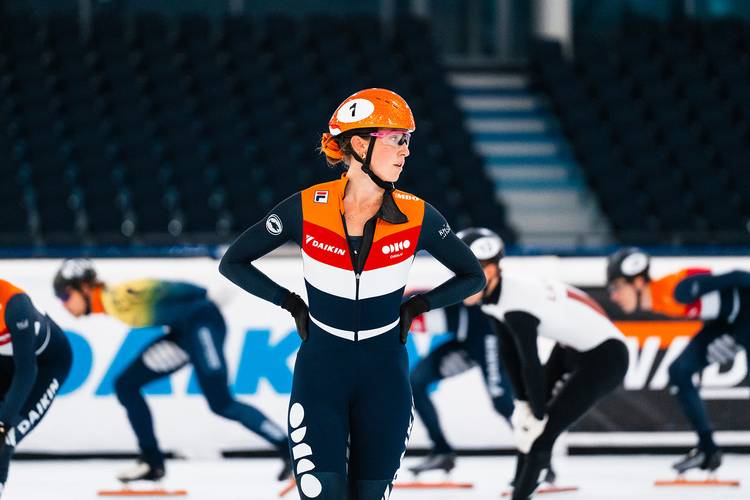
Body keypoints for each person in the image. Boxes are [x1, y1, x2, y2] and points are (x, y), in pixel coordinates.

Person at [219, 88, 485, 500]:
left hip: (385, 375)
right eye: (397, 139)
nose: (406, 151)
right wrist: (289, 303)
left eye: (408, 141)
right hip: (321, 372)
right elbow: (233, 262)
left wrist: (419, 305)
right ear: (360, 145)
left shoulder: (417, 214)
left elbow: (473, 276)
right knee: (322, 492)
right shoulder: (306, 207)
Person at [53, 259, 291, 483]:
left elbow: (163, 287)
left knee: (222, 403)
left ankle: (288, 449)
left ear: (85, 287)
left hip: (203, 323)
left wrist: (203, 294)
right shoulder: (113, 304)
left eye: (65, 295)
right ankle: (152, 462)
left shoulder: (119, 296)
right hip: (184, 334)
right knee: (125, 385)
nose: (64, 304)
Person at [459, 228, 628, 500]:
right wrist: (522, 403)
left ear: (489, 271)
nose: (456, 283)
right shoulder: (493, 297)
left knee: (541, 434)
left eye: (461, 274)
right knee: (527, 425)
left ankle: (522, 492)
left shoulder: (516, 302)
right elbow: (509, 354)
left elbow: (530, 361)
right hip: (573, 346)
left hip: (607, 356)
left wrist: (536, 412)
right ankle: (519, 482)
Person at [607, 247, 750, 474]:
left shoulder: (676, 291)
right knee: (679, 372)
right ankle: (708, 450)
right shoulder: (660, 299)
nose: (613, 297)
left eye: (617, 287)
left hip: (744, 316)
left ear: (638, 282)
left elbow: (738, 277)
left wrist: (739, 332)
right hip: (729, 322)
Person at [408, 243, 514, 475]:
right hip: (466, 343)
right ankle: (442, 450)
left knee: (502, 401)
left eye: (483, 266)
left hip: (489, 341)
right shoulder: (464, 285)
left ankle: (538, 457)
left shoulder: (507, 291)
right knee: (415, 382)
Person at [0, 279, 72, 498]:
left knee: (6, 437)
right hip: (6, 361)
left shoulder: (15, 304)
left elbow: (26, 372)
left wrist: (3, 423)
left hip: (45, 365)